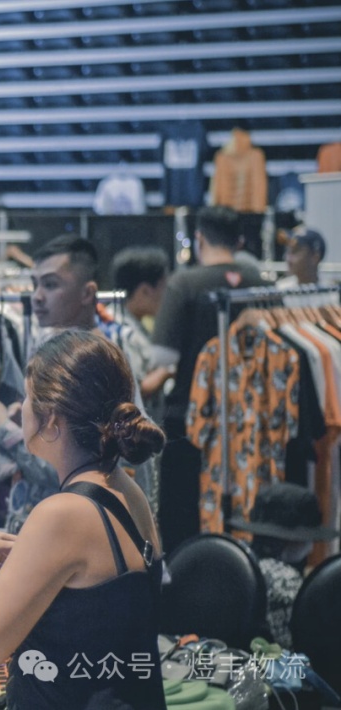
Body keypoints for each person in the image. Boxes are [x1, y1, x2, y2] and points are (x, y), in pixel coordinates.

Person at [0, 330, 166, 709]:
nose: (19, 408)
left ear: (51, 420)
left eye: (27, 398)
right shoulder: (127, 490)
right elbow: (95, 621)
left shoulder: (63, 514)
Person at [0, 235, 155, 532]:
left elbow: (84, 467)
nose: (37, 296)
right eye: (35, 284)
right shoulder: (60, 351)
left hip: (72, 531)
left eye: (51, 284)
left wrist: (3, 430)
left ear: (87, 293)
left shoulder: (93, 362)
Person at [150, 205, 271, 550]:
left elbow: (163, 358)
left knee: (183, 524)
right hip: (249, 420)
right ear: (240, 242)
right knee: (243, 517)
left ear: (199, 238)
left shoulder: (184, 283)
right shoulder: (262, 285)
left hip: (191, 420)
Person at [229, 482, 339, 649]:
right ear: (287, 539)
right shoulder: (286, 581)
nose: (310, 547)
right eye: (306, 539)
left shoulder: (235, 564)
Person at [111, 247, 170, 408]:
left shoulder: (131, 323)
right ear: (145, 291)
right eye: (164, 288)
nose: (166, 297)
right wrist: (168, 370)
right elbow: (135, 390)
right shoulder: (122, 331)